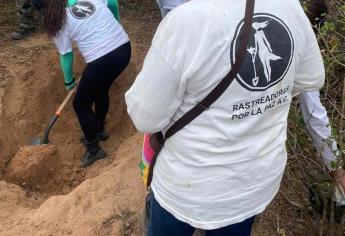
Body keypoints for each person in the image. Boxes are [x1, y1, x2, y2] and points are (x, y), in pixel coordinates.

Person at [125, 0, 345, 235]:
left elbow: (145, 118)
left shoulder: (184, 21)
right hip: (254, 182)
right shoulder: (289, 7)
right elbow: (310, 79)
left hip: (189, 186)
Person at [33, 0, 131, 167]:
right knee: (101, 90)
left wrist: (69, 81)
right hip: (124, 48)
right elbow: (112, 3)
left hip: (102, 58)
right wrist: (115, 24)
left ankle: (94, 150)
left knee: (80, 104)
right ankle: (99, 130)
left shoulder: (57, 21)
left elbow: (66, 55)